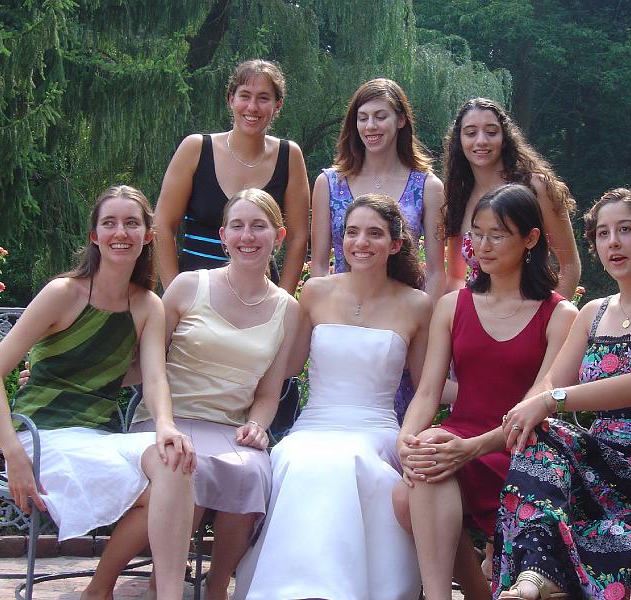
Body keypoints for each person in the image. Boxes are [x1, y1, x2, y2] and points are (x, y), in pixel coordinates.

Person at [493, 187, 631, 600]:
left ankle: (538, 576)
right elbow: (552, 381)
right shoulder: (592, 312)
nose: (612, 242)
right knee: (538, 438)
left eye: (625, 230)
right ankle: (536, 576)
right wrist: (529, 408)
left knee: (544, 445)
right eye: (602, 233)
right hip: (600, 465)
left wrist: (550, 401)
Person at [0, 185, 195, 600]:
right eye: (109, 223)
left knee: (173, 462)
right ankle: (99, 590)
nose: (120, 232)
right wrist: (14, 455)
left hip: (98, 437)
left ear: (148, 235)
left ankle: (141, 593)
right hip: (42, 436)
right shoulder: (63, 293)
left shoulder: (148, 305)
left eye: (131, 223)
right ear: (94, 235)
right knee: (165, 484)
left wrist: (166, 425)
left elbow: (154, 378)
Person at [235, 194, 433, 600]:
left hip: (374, 428)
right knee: (294, 457)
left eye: (374, 233)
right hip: (316, 423)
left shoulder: (417, 305)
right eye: (352, 232)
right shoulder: (315, 292)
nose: (361, 242)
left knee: (351, 461)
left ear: (396, 244)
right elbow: (287, 365)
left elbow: (426, 385)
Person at [393, 184, 578, 600]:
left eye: (498, 234)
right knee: (419, 471)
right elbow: (428, 392)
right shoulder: (453, 305)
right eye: (477, 233)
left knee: (417, 486)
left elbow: (537, 406)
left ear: (530, 239)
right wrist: (406, 440)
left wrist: (470, 448)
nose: (483, 245)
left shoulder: (559, 314)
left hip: (524, 448)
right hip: (461, 435)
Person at [130, 189, 299, 600]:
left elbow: (269, 392)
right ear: (223, 236)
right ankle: (162, 582)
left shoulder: (288, 309)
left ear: (278, 236)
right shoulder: (189, 286)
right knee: (188, 464)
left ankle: (218, 585)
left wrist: (257, 425)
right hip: (167, 419)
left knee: (253, 472)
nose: (247, 236)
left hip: (230, 427)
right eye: (237, 226)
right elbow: (142, 363)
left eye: (258, 226)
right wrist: (61, 375)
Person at [310, 78, 444, 423]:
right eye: (363, 117)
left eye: (380, 116)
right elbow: (320, 264)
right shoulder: (329, 182)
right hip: (342, 324)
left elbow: (435, 271)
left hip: (398, 327)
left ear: (401, 120)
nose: (371, 126)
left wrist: (420, 330)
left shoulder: (428, 186)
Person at [154, 58, 309, 294]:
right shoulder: (196, 149)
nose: (252, 107)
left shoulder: (289, 156)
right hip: (194, 296)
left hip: (258, 298)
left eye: (263, 98)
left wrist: (283, 301)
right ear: (231, 99)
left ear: (278, 105)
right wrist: (174, 294)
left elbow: (298, 237)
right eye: (245, 95)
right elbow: (162, 226)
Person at [443, 98, 580, 299]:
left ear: (505, 138)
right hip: (477, 312)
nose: (481, 141)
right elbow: (455, 277)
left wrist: (551, 314)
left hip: (533, 308)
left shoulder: (537, 188)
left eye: (491, 132)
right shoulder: (457, 197)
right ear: (459, 140)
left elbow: (569, 266)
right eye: (471, 133)